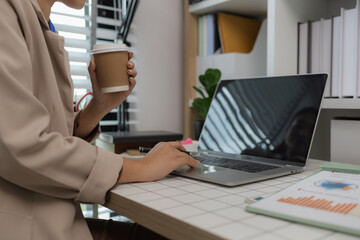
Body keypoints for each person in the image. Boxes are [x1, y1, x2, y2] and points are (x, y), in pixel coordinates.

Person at [0, 0, 199, 239]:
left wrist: (99, 106)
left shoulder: (42, 25)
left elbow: (50, 139)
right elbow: (23, 147)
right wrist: (141, 166)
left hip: (51, 216)